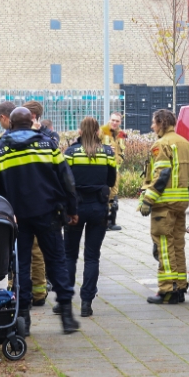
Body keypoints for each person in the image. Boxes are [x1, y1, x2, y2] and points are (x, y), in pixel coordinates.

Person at [0, 107, 80, 334]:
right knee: (56, 262)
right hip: (48, 214)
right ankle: (66, 316)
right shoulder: (48, 146)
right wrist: (72, 208)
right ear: (32, 122)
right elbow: (67, 179)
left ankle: (23, 320)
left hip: (15, 219)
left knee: (20, 266)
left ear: (10, 124)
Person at [139, 109, 189, 304]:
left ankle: (167, 290)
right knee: (178, 244)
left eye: (154, 123)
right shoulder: (185, 144)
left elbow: (162, 175)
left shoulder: (161, 144)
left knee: (164, 245)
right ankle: (179, 287)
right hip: (180, 203)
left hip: (164, 205)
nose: (152, 127)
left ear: (162, 123)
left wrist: (148, 200)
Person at [63, 117, 117, 317]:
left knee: (69, 255)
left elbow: (65, 182)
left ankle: (65, 302)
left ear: (80, 130)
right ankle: (87, 303)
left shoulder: (70, 153)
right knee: (92, 256)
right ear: (97, 131)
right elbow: (111, 180)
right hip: (98, 208)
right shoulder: (107, 153)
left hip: (75, 208)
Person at [22, 100, 57, 306]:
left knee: (35, 251)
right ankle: (29, 291)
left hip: (37, 201)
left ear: (32, 116)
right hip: (35, 199)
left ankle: (37, 292)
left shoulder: (48, 136)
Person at [101, 112, 126, 231]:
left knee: (114, 194)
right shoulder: (102, 132)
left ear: (120, 122)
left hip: (115, 168)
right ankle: (103, 221)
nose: (115, 123)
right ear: (109, 120)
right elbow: (92, 146)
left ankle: (111, 221)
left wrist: (120, 160)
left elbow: (121, 151)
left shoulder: (121, 134)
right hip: (104, 168)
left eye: (117, 121)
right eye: (113, 120)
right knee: (105, 193)